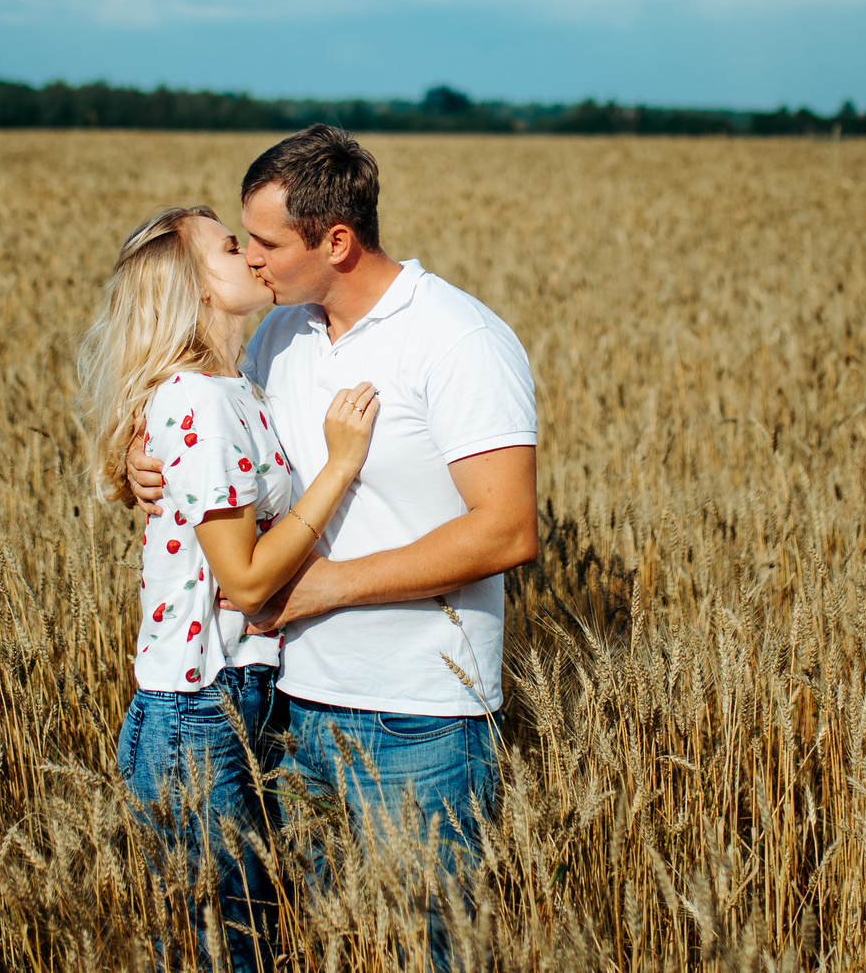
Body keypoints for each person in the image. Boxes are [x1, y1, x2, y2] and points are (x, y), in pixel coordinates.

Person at [129, 126, 539, 960]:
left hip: (419, 719)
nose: (252, 259)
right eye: (242, 241)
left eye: (270, 243)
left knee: (431, 948)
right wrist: (136, 466)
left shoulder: (458, 339)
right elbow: (219, 451)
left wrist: (330, 586)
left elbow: (508, 527)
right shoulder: (280, 335)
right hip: (285, 710)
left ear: (337, 241)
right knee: (314, 946)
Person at [82, 204, 381, 973]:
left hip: (232, 698)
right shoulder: (202, 401)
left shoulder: (233, 388)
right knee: (222, 949)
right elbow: (246, 577)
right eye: (227, 245)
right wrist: (343, 466)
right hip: (199, 711)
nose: (251, 253)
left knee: (244, 935)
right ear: (192, 286)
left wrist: (132, 472)